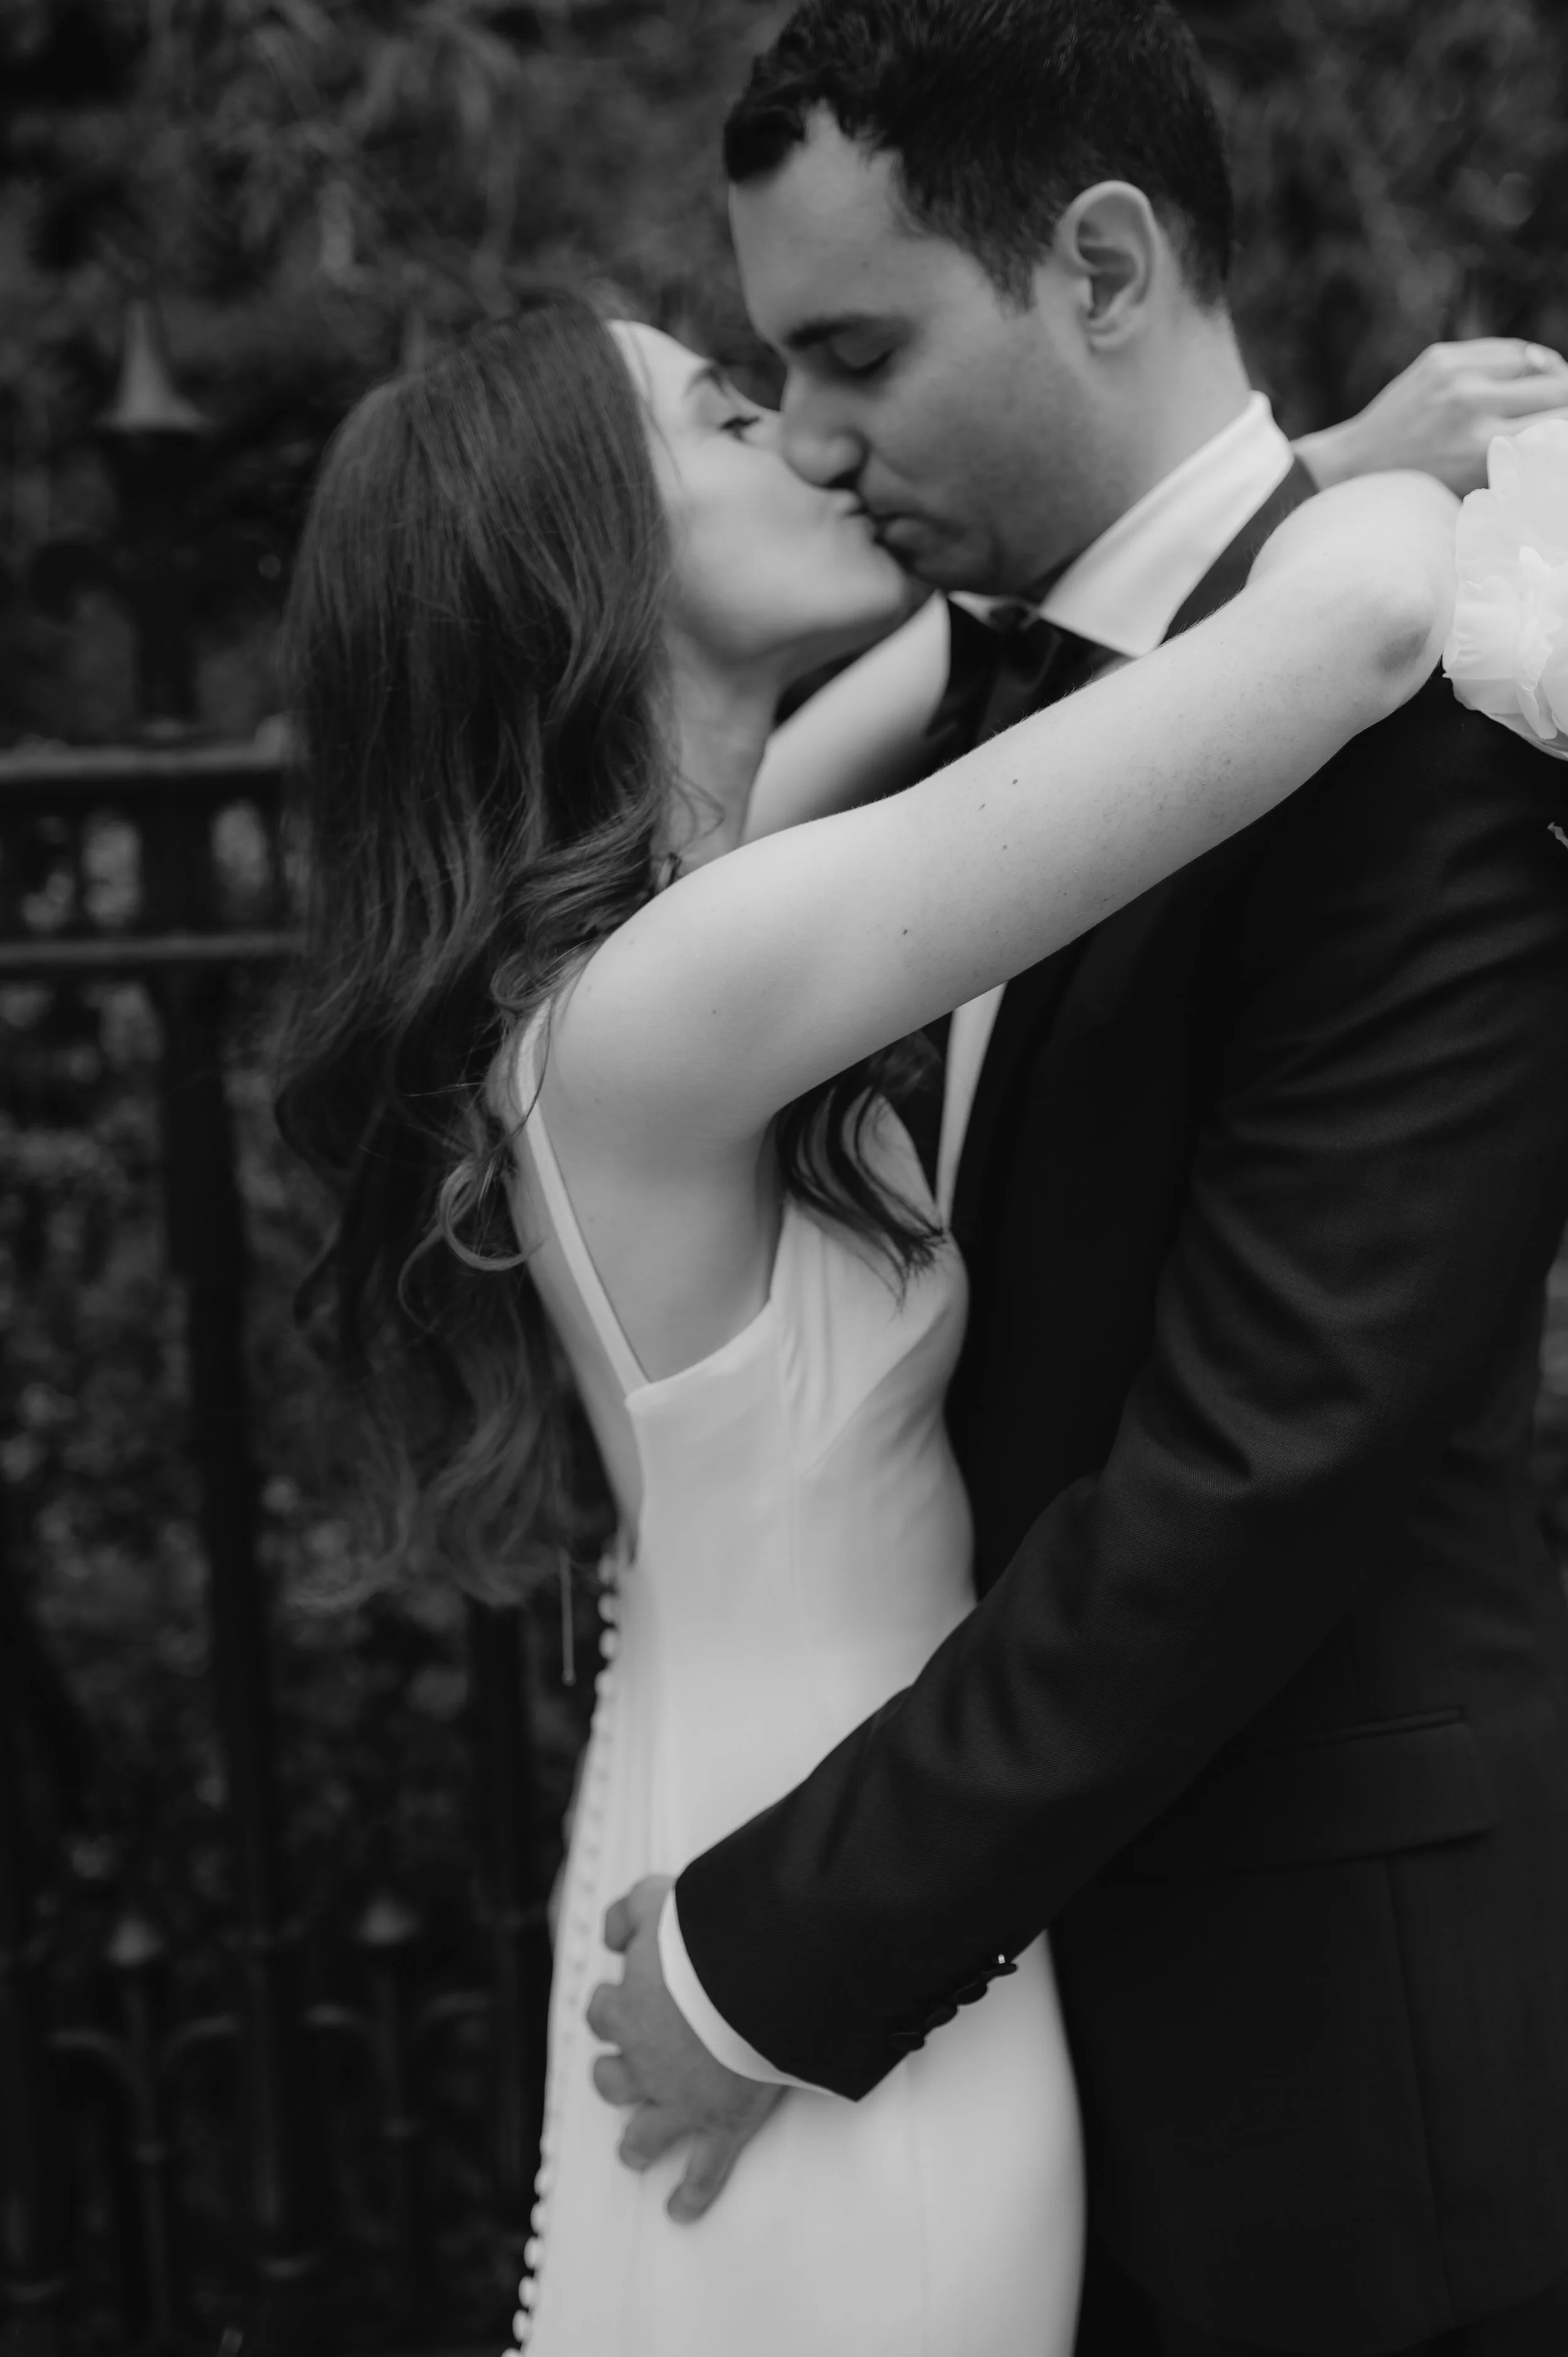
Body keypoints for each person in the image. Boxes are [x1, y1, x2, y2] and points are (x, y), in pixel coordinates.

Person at [274, 290, 1459, 2354]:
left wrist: (1321, 466)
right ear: (593, 566)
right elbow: (1333, 644)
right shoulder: (676, 989)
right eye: (732, 420)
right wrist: (1451, 507)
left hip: (778, 1834)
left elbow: (985, 649)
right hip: (829, 1941)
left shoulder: (693, 884)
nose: (813, 446)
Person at [585, 6, 1568, 2355]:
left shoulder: (1423, 691)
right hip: (1034, 2059)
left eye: (857, 349)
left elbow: (1273, 1439)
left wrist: (771, 1952)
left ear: (1102, 268)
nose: (814, 436)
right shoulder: (978, 706)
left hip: (1338, 2074)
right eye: (766, 373)